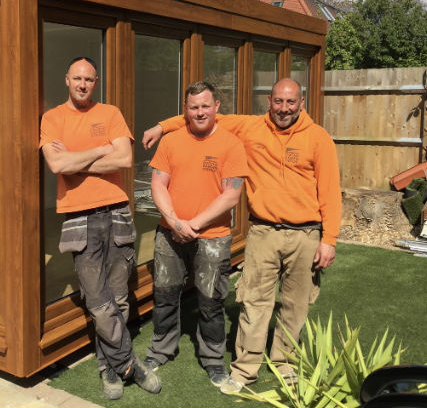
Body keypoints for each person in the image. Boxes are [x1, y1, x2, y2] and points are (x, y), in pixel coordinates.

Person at [142, 78, 341, 394]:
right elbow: (199, 114)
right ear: (269, 101)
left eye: (291, 102)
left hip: (305, 234)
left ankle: (285, 366)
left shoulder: (318, 139)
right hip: (263, 230)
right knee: (253, 304)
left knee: (294, 306)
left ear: (301, 102)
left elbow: (330, 191)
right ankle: (245, 370)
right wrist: (161, 127)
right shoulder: (251, 127)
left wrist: (329, 239)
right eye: (278, 101)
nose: (284, 108)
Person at [40, 56, 161, 400]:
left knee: (119, 298)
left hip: (118, 211)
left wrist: (77, 163)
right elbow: (56, 164)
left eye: (89, 79)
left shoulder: (110, 113)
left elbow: (123, 159)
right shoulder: (53, 119)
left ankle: (109, 368)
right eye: (77, 78)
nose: (82, 84)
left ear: (96, 82)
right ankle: (129, 364)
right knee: (97, 300)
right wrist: (100, 150)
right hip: (79, 216)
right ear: (67, 80)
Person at [143, 81, 248, 389]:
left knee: (211, 300)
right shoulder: (172, 141)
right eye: (193, 107)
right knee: (165, 295)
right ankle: (161, 349)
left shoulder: (231, 144)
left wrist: (193, 225)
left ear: (216, 107)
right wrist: (175, 223)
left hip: (213, 236)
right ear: (185, 110)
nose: (199, 112)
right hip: (169, 234)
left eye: (205, 106)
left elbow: (231, 195)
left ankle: (213, 359)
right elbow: (158, 184)